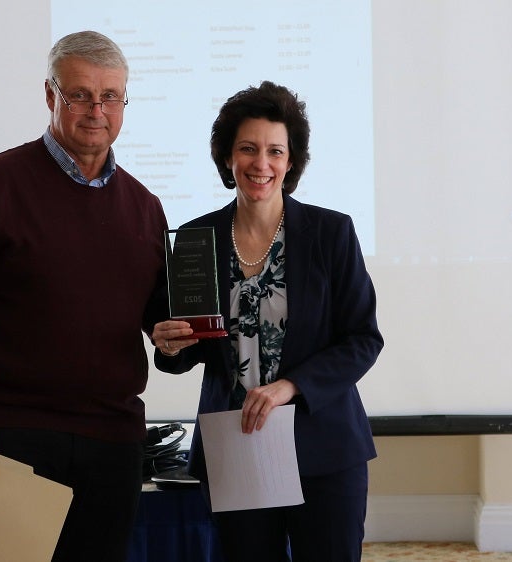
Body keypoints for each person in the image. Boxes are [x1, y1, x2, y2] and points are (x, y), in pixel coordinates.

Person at [0, 30, 168, 562]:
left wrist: (178, 340)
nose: (96, 110)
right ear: (51, 95)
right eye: (79, 94)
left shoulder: (145, 208)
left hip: (111, 446)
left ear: (124, 102)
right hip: (6, 441)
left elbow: (154, 319)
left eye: (111, 96)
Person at [151, 81, 383, 562]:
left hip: (325, 447)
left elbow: (363, 338)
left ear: (291, 161)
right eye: (248, 149)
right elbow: (192, 346)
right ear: (228, 158)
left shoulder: (331, 232)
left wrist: (290, 386)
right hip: (236, 444)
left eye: (275, 150)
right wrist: (171, 347)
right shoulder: (197, 237)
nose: (262, 163)